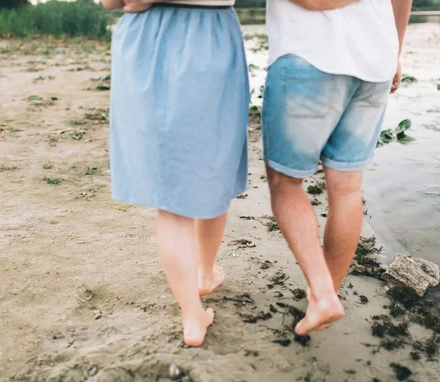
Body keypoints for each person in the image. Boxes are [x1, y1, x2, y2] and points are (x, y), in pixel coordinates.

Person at [101, 0, 249, 347]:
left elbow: (112, 1)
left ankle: (192, 316)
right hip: (212, 34)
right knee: (214, 164)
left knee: (171, 197)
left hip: (148, 39)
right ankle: (205, 273)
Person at [262, 0, 412, 335]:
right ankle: (324, 294)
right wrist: (395, 52)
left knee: (285, 183)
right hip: (375, 59)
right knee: (347, 189)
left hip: (310, 54)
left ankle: (323, 294)